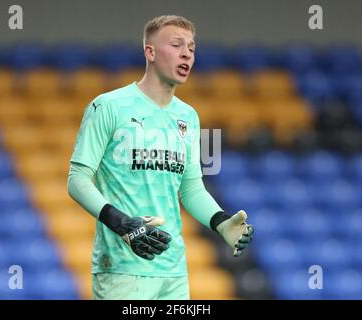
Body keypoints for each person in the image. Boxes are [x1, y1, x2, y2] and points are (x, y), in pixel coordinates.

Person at [67, 15, 254, 300]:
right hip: (122, 271)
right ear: (150, 52)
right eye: (177, 45)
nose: (186, 54)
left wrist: (221, 222)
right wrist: (121, 223)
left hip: (174, 273)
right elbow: (77, 181)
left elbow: (191, 188)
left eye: (191, 48)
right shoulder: (108, 106)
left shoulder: (188, 116)